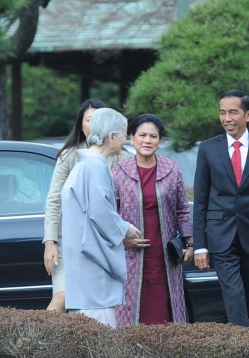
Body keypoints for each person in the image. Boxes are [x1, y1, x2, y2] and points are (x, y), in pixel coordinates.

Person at [193, 89, 249, 327]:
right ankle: (243, 344)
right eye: (222, 112)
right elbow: (201, 200)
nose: (227, 118)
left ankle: (241, 336)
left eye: (233, 112)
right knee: (233, 292)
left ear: (248, 115)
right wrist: (200, 245)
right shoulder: (208, 148)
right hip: (220, 234)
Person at [42, 99, 129, 312]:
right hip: (70, 239)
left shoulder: (122, 156)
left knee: (96, 306)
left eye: (100, 118)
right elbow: (54, 199)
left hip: (103, 241)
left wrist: (125, 231)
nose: (95, 124)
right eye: (90, 119)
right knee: (63, 297)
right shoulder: (73, 155)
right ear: (81, 124)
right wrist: (50, 241)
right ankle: (35, 343)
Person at [61, 108, 142, 327]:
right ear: (112, 137)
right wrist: (124, 227)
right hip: (92, 262)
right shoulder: (96, 166)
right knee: (100, 330)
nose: (126, 139)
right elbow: (100, 211)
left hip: (80, 257)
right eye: (124, 133)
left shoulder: (83, 166)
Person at [114, 114, 194, 326]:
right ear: (132, 138)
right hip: (130, 255)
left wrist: (190, 243)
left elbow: (182, 209)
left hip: (165, 256)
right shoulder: (119, 172)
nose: (147, 140)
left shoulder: (172, 169)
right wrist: (123, 237)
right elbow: (109, 213)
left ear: (159, 141)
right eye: (142, 135)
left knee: (165, 314)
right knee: (132, 315)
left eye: (153, 136)